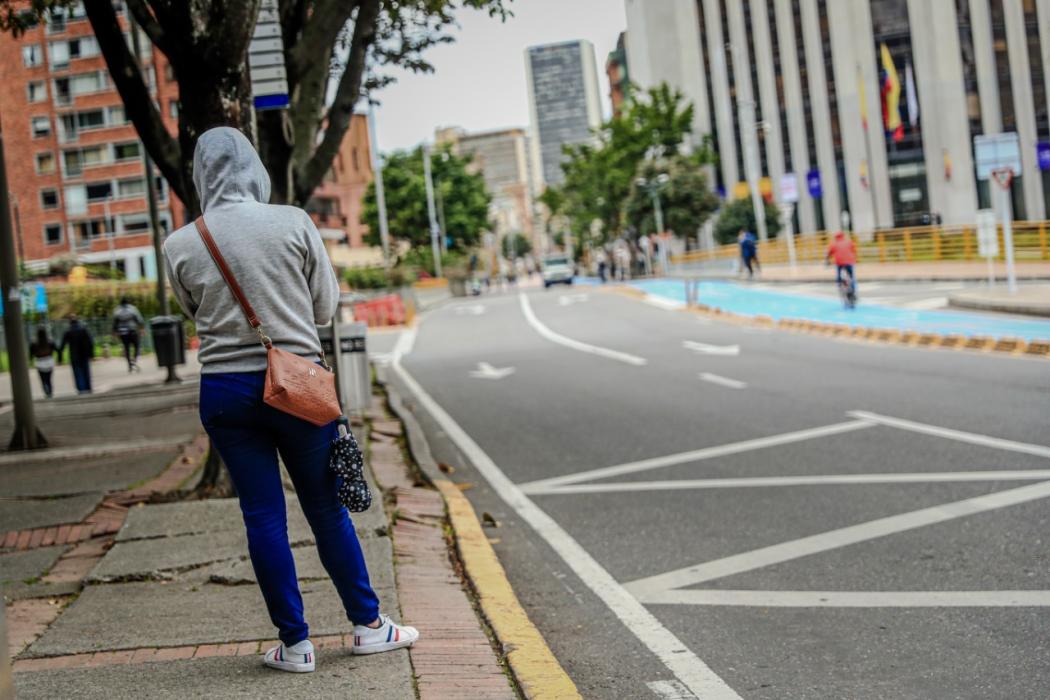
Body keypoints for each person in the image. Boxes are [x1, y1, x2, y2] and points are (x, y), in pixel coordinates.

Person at [163, 127, 417, 674]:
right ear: (255, 166)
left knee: (262, 517)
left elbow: (192, 311)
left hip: (226, 390)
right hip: (298, 384)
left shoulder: (181, 242)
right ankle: (368, 625)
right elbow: (324, 308)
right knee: (325, 509)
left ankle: (295, 644)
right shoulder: (294, 222)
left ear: (200, 175)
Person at [59, 315, 94, 394]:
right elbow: (90, 342)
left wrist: (60, 358)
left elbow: (62, 346)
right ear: (78, 321)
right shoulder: (83, 330)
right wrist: (91, 354)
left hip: (74, 355)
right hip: (84, 354)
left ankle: (81, 388)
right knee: (86, 371)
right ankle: (88, 387)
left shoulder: (68, 332)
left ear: (70, 323)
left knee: (77, 373)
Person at [112, 296, 146, 372]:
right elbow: (139, 319)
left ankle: (129, 364)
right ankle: (134, 360)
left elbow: (115, 323)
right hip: (132, 330)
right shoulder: (133, 309)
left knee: (126, 348)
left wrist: (114, 332)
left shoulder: (117, 310)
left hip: (122, 332)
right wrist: (142, 328)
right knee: (137, 345)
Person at [825, 230, 858, 295]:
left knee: (839, 276)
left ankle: (840, 286)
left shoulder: (833, 243)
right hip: (850, 261)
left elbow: (829, 253)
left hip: (839, 263)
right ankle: (853, 291)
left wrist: (827, 260)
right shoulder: (849, 241)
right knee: (851, 276)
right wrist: (855, 258)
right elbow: (854, 250)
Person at [29, 327, 57, 398]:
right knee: (48, 378)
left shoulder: (34, 343)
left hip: (40, 362)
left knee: (43, 379)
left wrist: (31, 360)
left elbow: (31, 353)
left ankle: (46, 390)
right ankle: (50, 391)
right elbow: (57, 349)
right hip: (49, 361)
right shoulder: (49, 341)